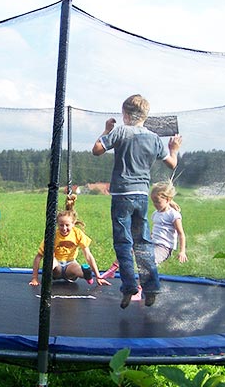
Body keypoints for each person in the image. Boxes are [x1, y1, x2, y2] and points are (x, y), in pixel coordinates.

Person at [92, 94, 182, 309]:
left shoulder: (121, 131)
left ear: (125, 114)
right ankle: (151, 287)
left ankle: (129, 285)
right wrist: (174, 149)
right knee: (143, 242)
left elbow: (96, 150)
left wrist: (106, 131)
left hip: (121, 195)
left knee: (123, 243)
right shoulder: (153, 137)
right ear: (146, 116)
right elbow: (171, 164)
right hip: (142, 196)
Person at [101, 180, 188, 280]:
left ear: (167, 200)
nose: (155, 204)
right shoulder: (156, 214)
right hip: (153, 243)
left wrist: (182, 251)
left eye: (158, 202)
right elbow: (156, 231)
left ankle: (140, 287)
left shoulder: (173, 215)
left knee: (147, 262)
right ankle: (113, 269)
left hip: (164, 247)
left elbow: (181, 234)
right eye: (153, 202)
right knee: (130, 246)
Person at [28, 195, 111, 287]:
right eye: (61, 225)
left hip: (70, 265)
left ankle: (87, 275)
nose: (64, 228)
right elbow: (38, 256)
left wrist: (98, 276)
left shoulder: (77, 233)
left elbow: (88, 255)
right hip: (57, 268)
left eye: (67, 225)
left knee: (78, 269)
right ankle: (47, 277)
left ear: (73, 224)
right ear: (57, 225)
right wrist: (34, 278)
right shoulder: (53, 235)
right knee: (50, 261)